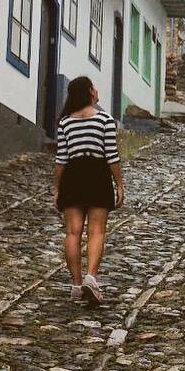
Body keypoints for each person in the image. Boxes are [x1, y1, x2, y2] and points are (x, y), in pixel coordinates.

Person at [54, 76, 124, 305]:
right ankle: (91, 278)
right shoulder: (104, 119)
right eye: (94, 86)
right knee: (96, 231)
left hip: (72, 176)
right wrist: (119, 185)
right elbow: (111, 156)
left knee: (72, 233)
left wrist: (57, 188)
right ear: (89, 93)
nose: (96, 89)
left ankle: (75, 285)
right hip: (96, 175)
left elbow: (61, 160)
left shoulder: (65, 122)